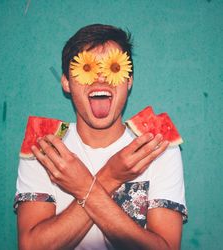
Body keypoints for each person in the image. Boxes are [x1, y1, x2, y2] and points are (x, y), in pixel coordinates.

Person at [14, 24, 187, 250]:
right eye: (87, 67)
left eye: (114, 68)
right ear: (66, 81)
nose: (101, 79)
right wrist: (111, 177)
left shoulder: (157, 146)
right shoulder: (44, 148)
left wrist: (84, 185)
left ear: (129, 80)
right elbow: (31, 247)